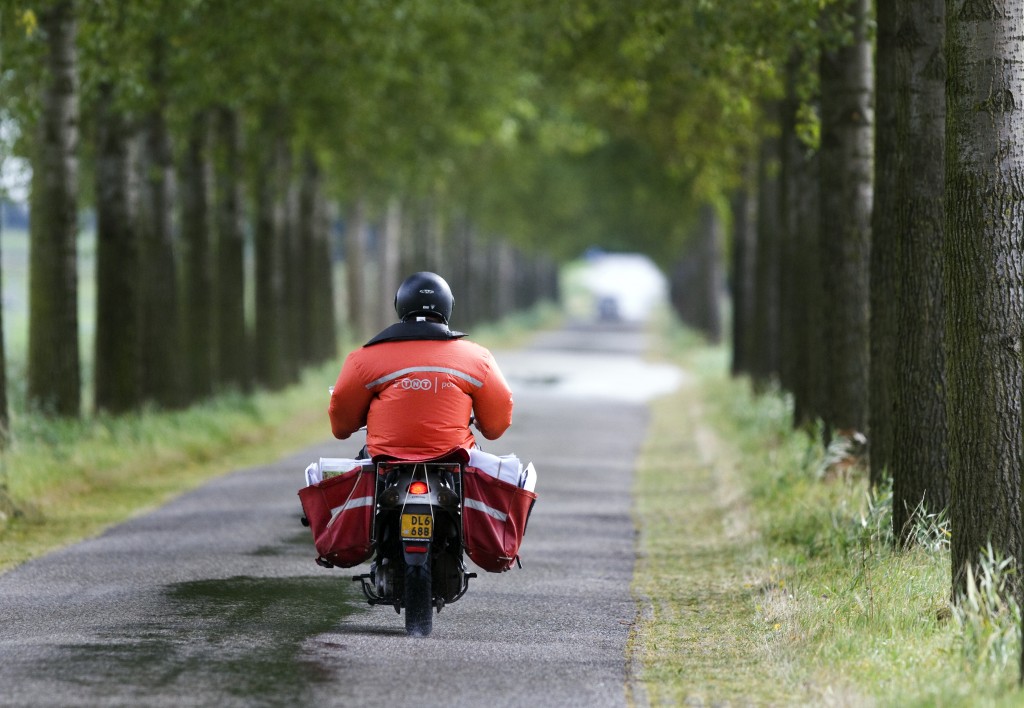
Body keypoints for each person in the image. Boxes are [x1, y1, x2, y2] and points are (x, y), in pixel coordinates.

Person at [328, 271, 514, 461]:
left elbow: (342, 424)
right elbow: (496, 423)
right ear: (449, 306)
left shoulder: (363, 359)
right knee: (485, 477)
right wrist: (484, 424)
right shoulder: (478, 358)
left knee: (353, 482)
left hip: (384, 459)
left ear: (399, 305)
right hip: (456, 457)